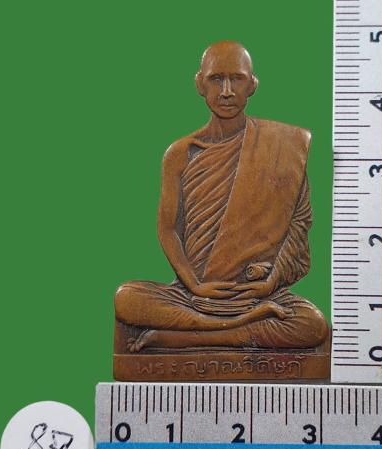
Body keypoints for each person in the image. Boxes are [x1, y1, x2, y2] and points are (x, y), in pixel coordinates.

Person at [115, 41, 328, 352]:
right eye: (216, 79)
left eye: (237, 79)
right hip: (194, 294)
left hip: (256, 294)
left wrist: (270, 283)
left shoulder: (284, 146)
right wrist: (194, 284)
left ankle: (188, 336)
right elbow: (168, 228)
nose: (226, 91)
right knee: (127, 299)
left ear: (252, 85)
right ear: (200, 84)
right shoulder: (180, 153)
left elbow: (299, 222)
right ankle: (236, 325)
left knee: (311, 324)